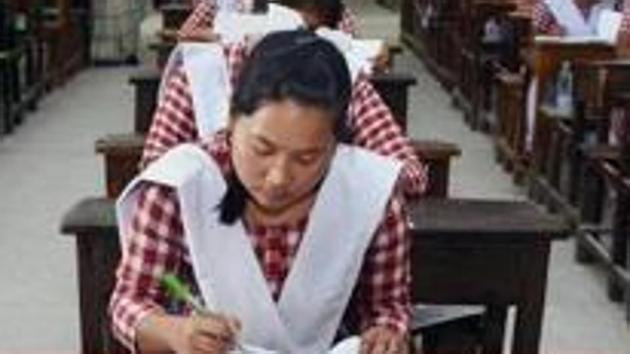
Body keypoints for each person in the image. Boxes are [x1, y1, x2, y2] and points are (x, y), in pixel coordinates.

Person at [110, 29, 411, 354]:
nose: (279, 177)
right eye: (262, 149)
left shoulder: (369, 193)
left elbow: (388, 307)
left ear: (336, 145)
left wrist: (387, 333)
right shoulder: (181, 185)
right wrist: (177, 333)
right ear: (232, 119)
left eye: (307, 158)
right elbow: (130, 302)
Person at [147, 1, 426, 200]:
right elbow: (155, 169)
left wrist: (323, 172)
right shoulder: (202, 73)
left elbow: (410, 174)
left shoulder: (341, 76)